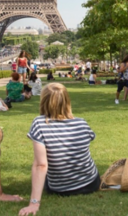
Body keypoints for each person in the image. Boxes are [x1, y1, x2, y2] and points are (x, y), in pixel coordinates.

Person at [18, 83, 100, 215]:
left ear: (43, 101)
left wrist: (34, 203)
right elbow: (89, 140)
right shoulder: (82, 123)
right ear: (67, 100)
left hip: (60, 187)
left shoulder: (40, 124)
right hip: (90, 183)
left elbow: (40, 165)